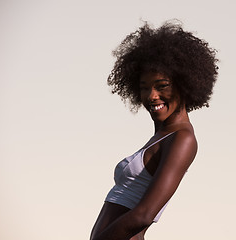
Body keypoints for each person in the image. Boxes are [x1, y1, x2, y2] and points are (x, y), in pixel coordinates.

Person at [90, 20, 218, 240]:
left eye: (162, 86)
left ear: (184, 84)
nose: (151, 96)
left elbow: (144, 215)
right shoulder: (162, 135)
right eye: (144, 88)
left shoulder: (182, 138)